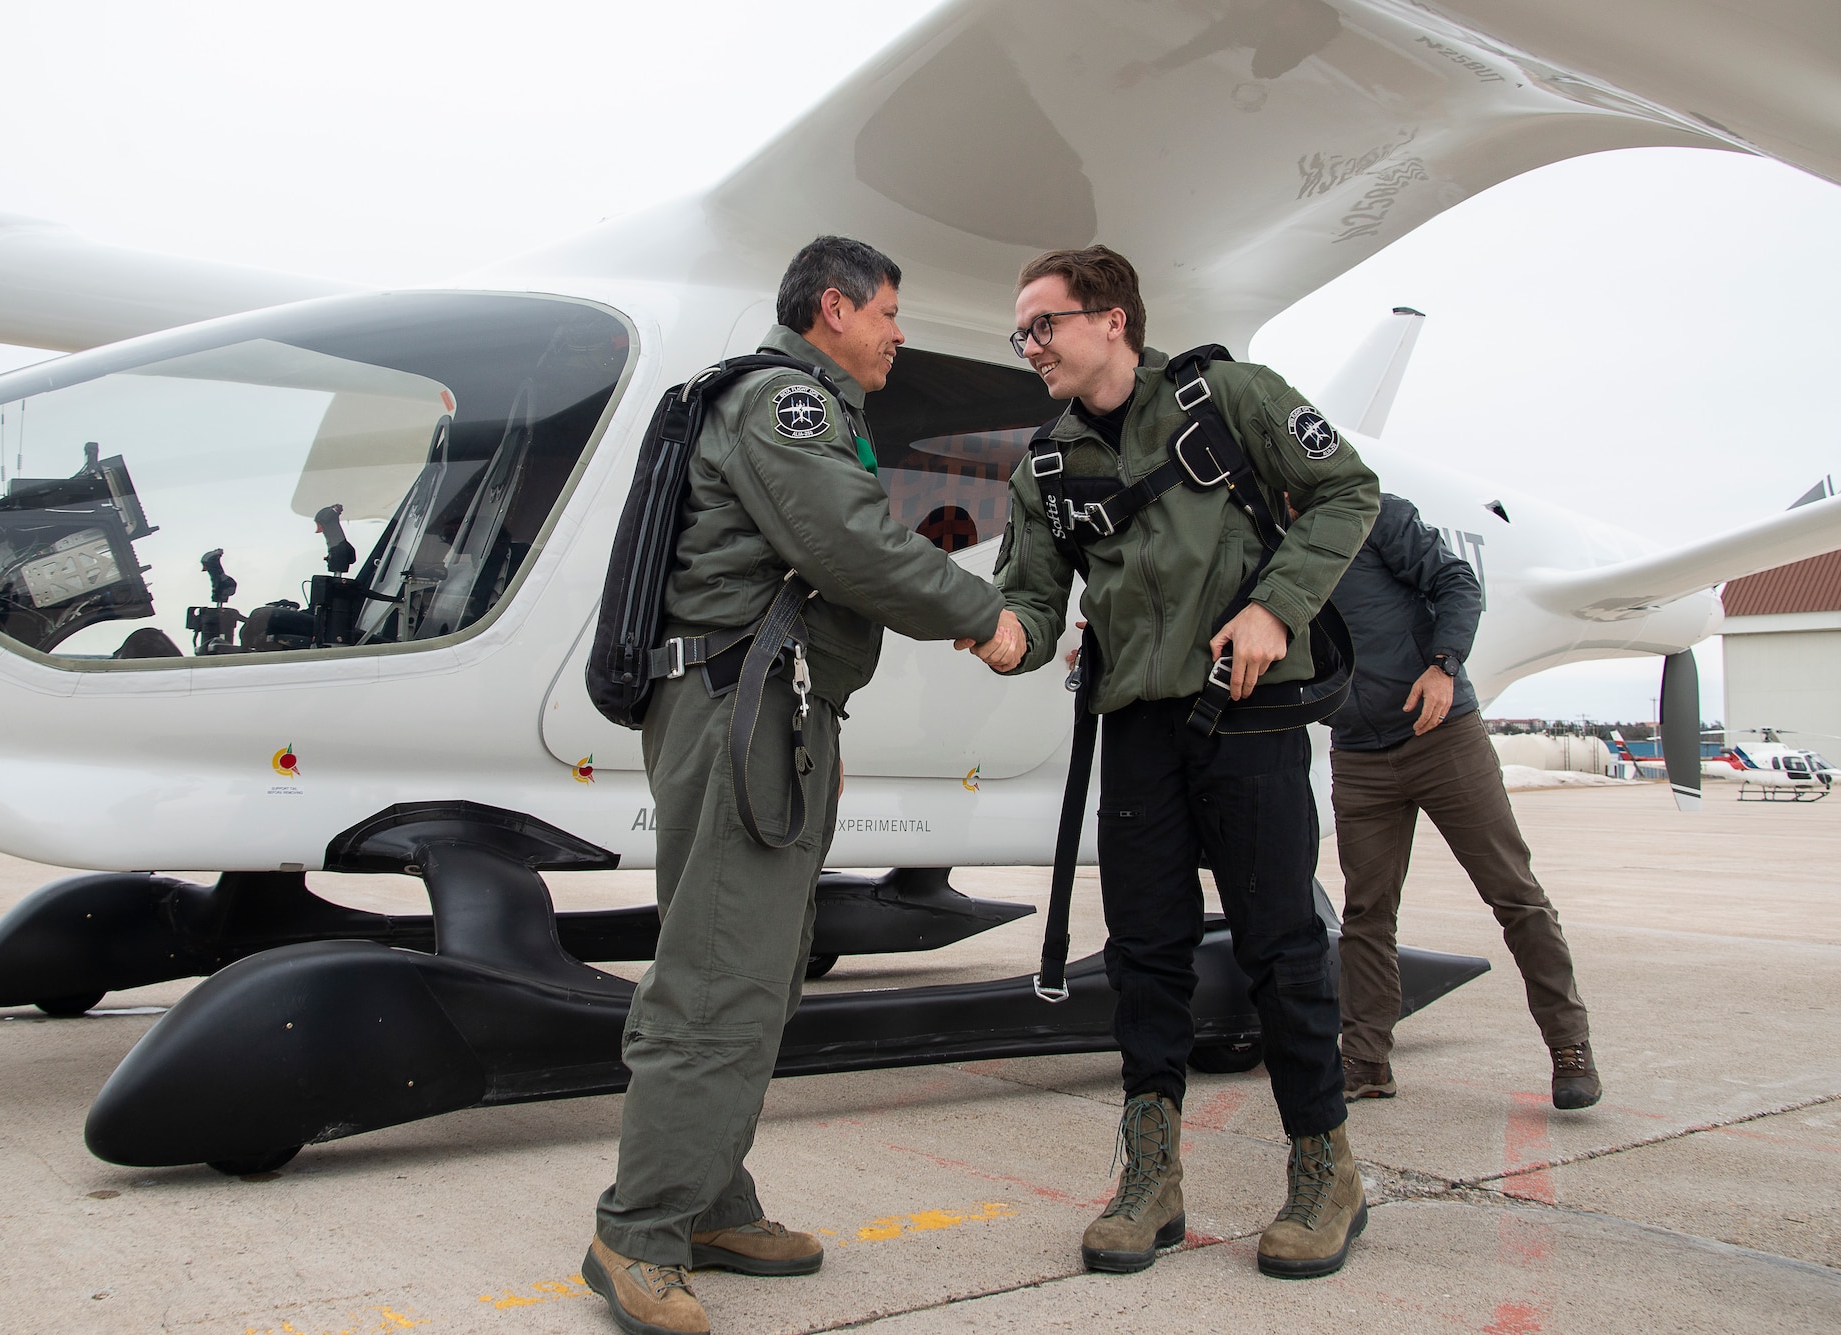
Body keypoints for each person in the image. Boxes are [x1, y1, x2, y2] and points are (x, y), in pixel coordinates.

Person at [583, 236, 1025, 1335]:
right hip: (740, 707)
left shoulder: (782, 402)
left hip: (763, 708)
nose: (896, 335)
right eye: (886, 313)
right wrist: (986, 618)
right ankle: (637, 1233)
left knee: (763, 967)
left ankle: (706, 1201)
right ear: (832, 307)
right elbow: (853, 546)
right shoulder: (786, 402)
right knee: (718, 971)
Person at [988, 245, 1380, 1280]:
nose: (1028, 347)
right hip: (1137, 729)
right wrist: (1007, 636)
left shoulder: (1231, 397)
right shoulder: (1044, 465)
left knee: (1280, 945)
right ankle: (1150, 1176)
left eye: (1043, 326)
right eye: (1020, 332)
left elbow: (1346, 490)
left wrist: (1271, 606)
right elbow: (1030, 595)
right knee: (1146, 952)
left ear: (1111, 318)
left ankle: (1322, 1168)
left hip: (1246, 713)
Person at [1323, 493, 1600, 1110]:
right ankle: (1365, 1059)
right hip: (1358, 752)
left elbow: (1456, 582)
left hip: (1441, 735)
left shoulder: (1375, 513)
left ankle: (1569, 1046)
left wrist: (1445, 664)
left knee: (1514, 894)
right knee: (1366, 913)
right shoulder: (1264, 537)